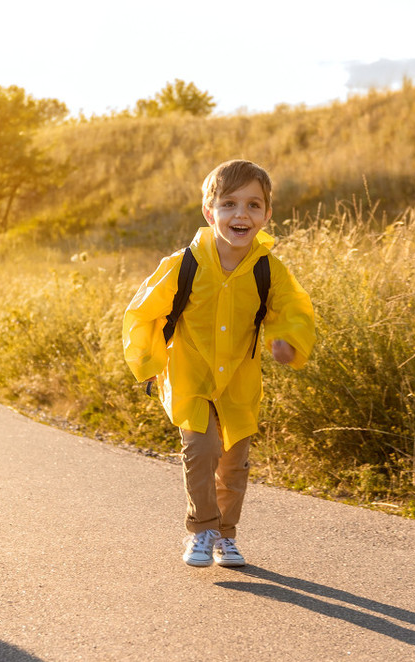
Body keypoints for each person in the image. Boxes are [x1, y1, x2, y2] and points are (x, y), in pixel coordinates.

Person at [122, 159, 316, 567]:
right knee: (201, 448)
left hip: (240, 384)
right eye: (228, 204)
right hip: (189, 374)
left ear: (266, 215)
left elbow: (294, 311)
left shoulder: (269, 270)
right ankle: (202, 528)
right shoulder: (184, 265)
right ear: (210, 212)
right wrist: (148, 359)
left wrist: (288, 342)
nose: (240, 214)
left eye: (252, 205)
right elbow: (141, 312)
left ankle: (226, 535)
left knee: (233, 462)